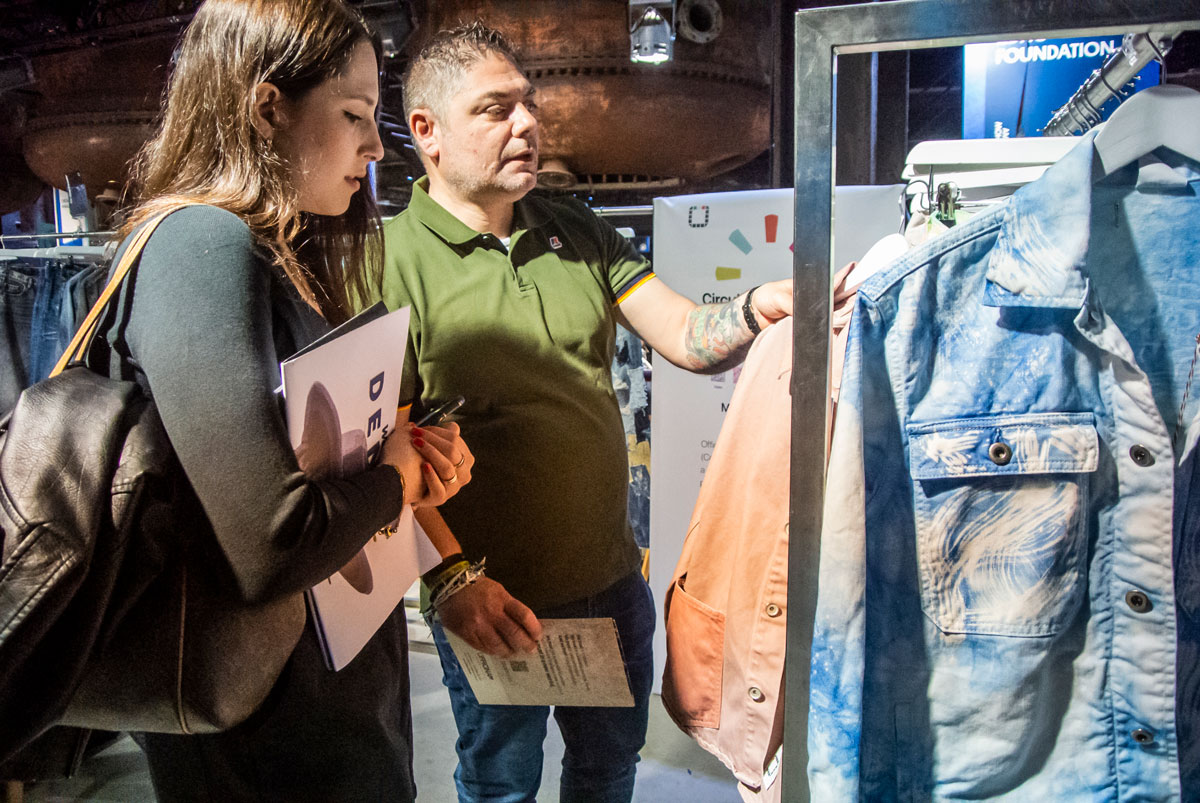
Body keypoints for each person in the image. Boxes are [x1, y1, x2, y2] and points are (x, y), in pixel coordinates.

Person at [379, 21, 794, 803]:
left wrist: (753, 308)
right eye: (495, 109)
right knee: (500, 785)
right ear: (427, 130)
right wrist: (453, 579)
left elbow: (684, 333)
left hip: (609, 586)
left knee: (607, 772)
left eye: (528, 104)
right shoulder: (389, 263)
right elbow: (385, 454)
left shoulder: (575, 229)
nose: (527, 124)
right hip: (491, 598)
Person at [96, 1, 475, 800]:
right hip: (266, 748)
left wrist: (402, 458)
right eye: (354, 115)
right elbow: (270, 542)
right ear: (267, 108)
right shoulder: (199, 243)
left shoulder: (278, 252)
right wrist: (395, 479)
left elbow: (293, 461)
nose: (376, 147)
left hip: (332, 715)